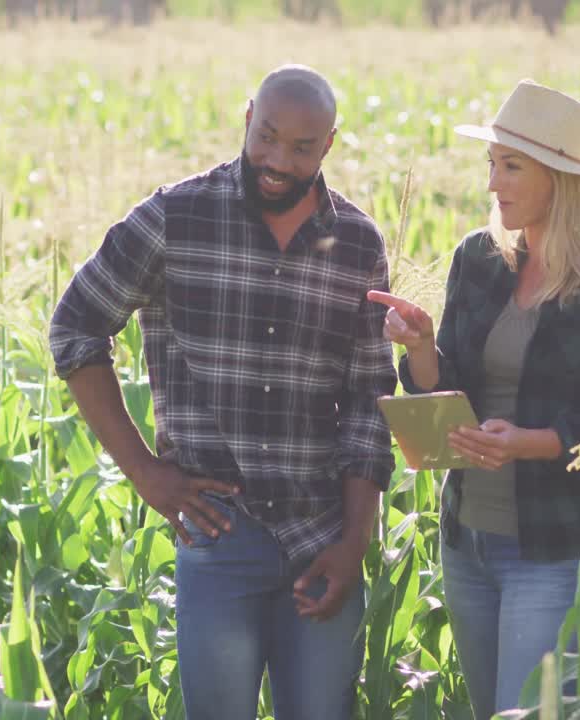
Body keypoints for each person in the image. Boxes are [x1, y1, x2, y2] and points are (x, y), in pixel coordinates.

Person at [48, 64, 396, 720]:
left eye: (302, 148)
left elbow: (369, 401)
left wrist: (355, 541)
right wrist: (145, 472)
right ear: (247, 119)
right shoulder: (175, 217)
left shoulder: (356, 242)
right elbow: (75, 328)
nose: (278, 161)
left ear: (329, 145)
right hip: (218, 536)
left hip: (322, 538)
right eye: (267, 137)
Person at [368, 79, 580, 718]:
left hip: (555, 548)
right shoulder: (478, 257)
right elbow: (449, 388)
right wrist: (420, 347)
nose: (493, 183)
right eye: (492, 163)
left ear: (559, 177)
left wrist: (525, 444)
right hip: (467, 539)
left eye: (512, 166)